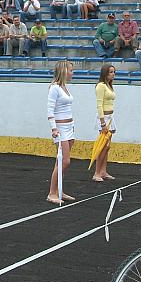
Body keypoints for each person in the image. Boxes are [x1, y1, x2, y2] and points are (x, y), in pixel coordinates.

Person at [47, 60, 76, 205]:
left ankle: (59, 189)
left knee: (62, 162)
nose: (72, 73)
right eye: (70, 70)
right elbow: (50, 110)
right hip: (61, 129)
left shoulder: (64, 87)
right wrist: (54, 128)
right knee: (64, 161)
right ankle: (52, 192)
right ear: (63, 71)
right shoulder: (55, 88)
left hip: (69, 127)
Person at [93, 64, 117, 182]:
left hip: (110, 117)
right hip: (104, 118)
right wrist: (102, 123)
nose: (113, 74)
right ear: (105, 73)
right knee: (102, 146)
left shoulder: (109, 85)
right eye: (111, 72)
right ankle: (97, 172)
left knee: (107, 147)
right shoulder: (101, 86)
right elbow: (99, 105)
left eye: (113, 72)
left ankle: (103, 171)